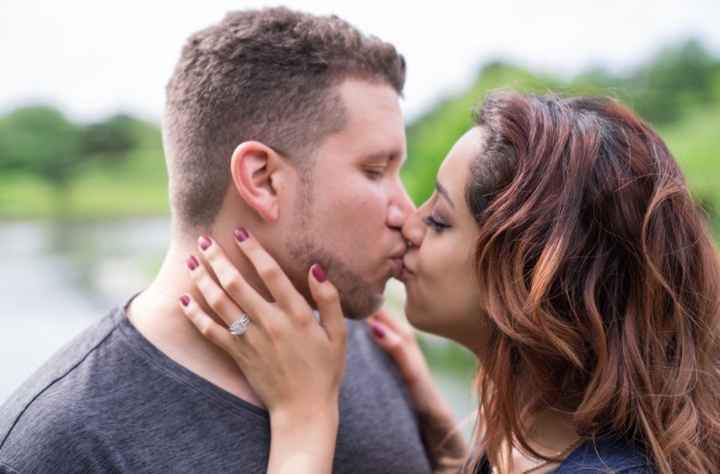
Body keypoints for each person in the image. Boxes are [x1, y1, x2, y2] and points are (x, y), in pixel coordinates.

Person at [182, 92, 720, 473]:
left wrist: (304, 420)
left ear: (528, 278)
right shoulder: (546, 436)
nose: (407, 223)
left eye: (439, 220)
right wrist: (450, 453)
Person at [0, 7, 440, 473]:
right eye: (375, 171)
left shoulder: (363, 337)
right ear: (263, 179)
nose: (408, 215)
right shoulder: (58, 444)